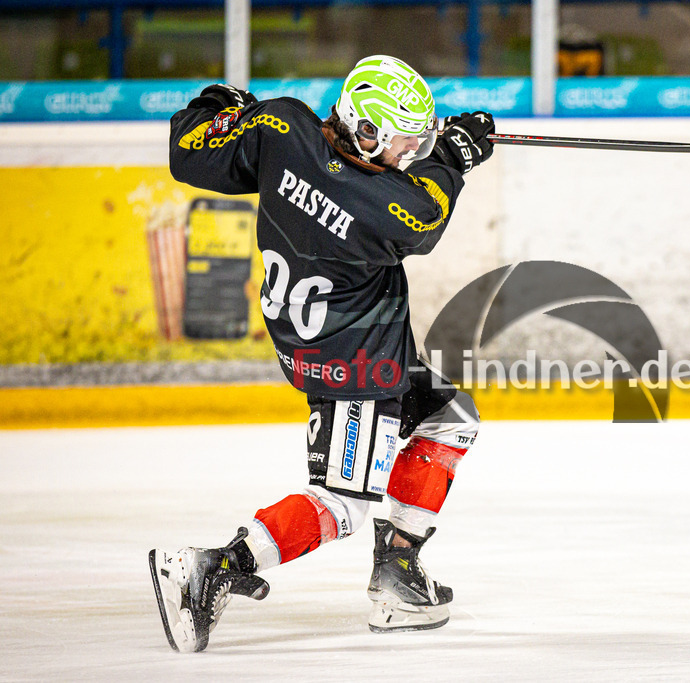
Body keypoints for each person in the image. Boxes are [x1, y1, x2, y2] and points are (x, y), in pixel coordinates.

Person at [148, 55, 496, 652]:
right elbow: (426, 211)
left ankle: (397, 569)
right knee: (341, 503)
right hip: (352, 363)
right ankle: (212, 567)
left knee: (450, 415)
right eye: (403, 142)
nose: (409, 155)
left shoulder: (282, 130)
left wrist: (218, 103)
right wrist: (452, 156)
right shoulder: (381, 204)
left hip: (330, 341)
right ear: (366, 131)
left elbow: (190, 150)